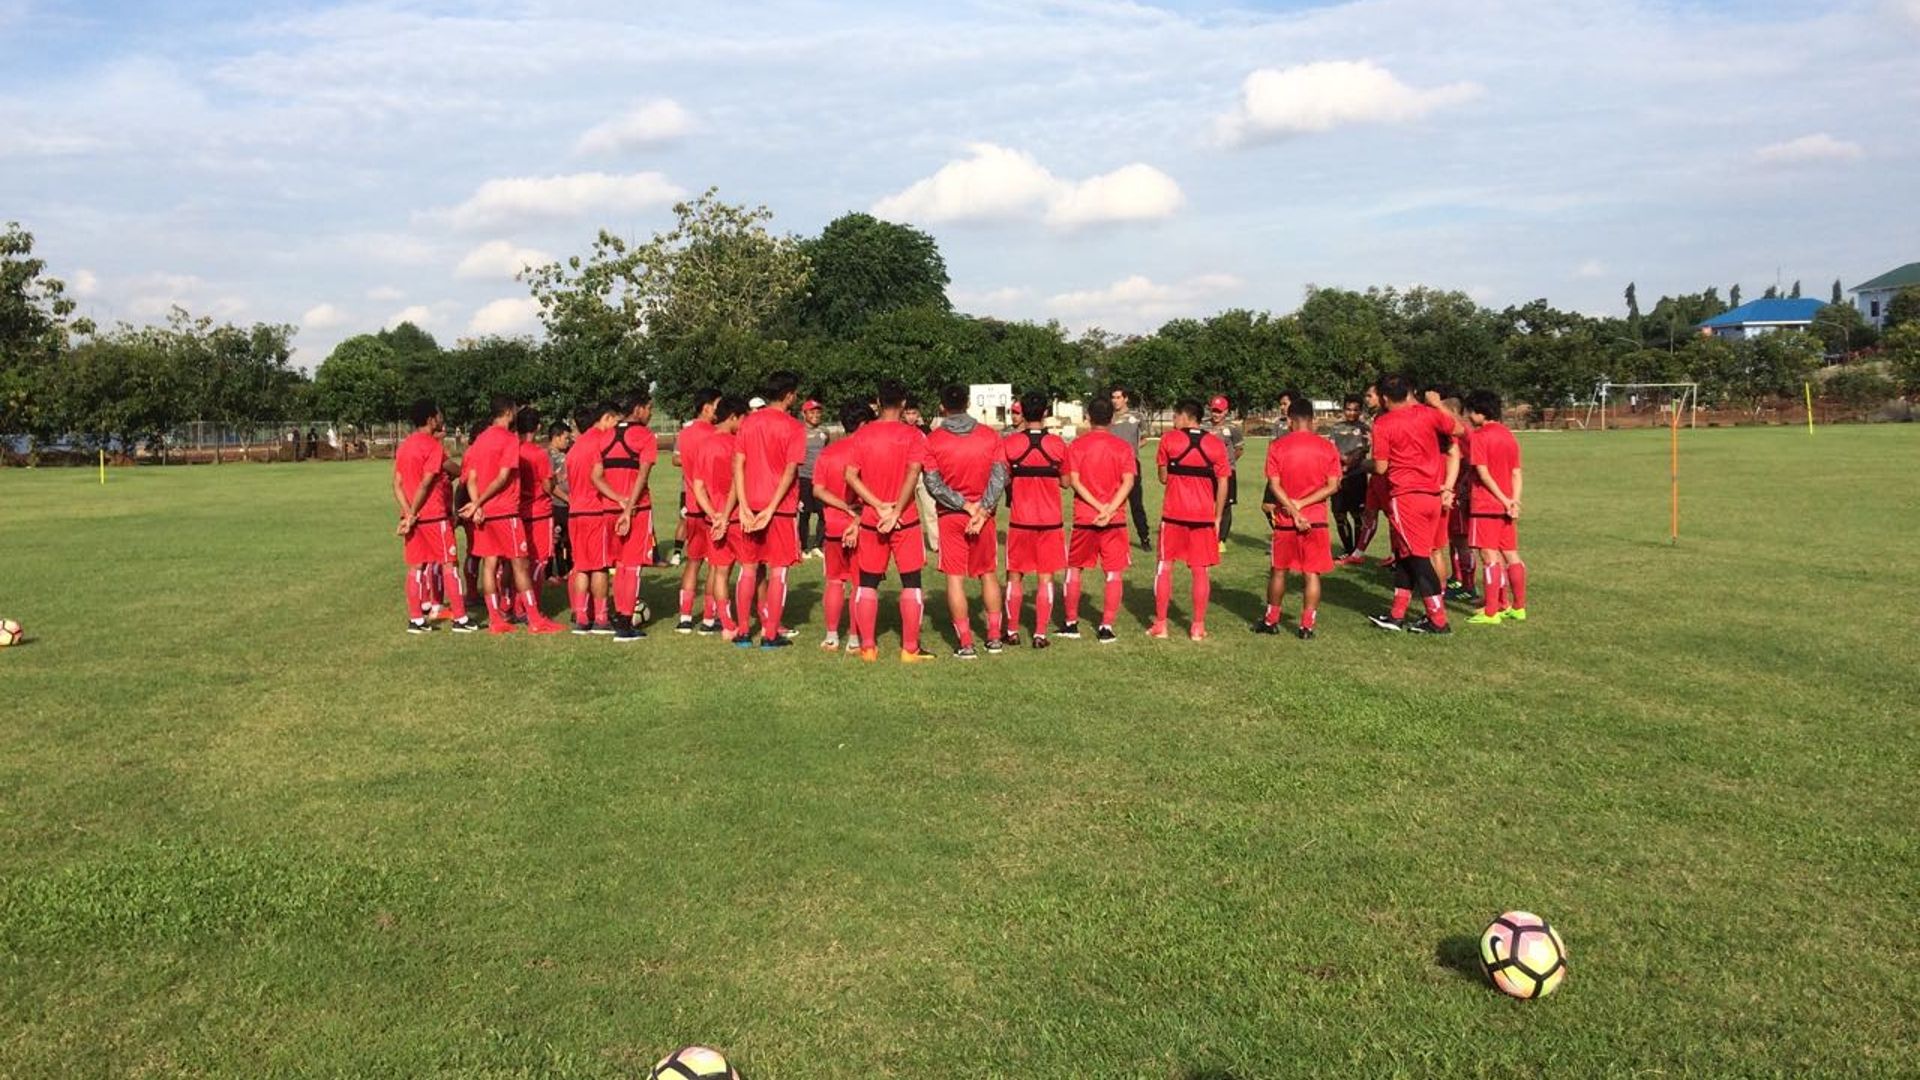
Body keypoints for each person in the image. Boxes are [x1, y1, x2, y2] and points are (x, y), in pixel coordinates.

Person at [843, 379, 935, 663]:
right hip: (904, 519)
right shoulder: (914, 436)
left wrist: (876, 505)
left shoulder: (862, 435)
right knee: (912, 582)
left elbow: (850, 476)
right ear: (904, 403)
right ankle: (910, 648)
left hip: (872, 519)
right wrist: (894, 511)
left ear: (877, 401)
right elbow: (913, 473)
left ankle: (868, 647)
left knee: (868, 583)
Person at [1366, 374, 1461, 635]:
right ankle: (1396, 615)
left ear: (1384, 398)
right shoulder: (1428, 414)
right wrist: (1439, 405)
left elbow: (1382, 467)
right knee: (1405, 556)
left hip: (1406, 497)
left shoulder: (1383, 423)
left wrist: (1361, 465)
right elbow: (1459, 430)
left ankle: (1438, 620)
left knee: (1419, 559)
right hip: (1432, 495)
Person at [463, 396, 565, 635]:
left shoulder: (479, 441)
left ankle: (495, 619)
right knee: (520, 564)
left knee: (490, 564)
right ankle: (534, 619)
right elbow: (503, 476)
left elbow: (472, 478)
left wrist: (477, 506)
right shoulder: (509, 439)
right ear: (508, 412)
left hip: (485, 513)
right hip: (506, 511)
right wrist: (479, 502)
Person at [923, 383, 1008, 659]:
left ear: (942, 406)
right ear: (969, 402)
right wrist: (982, 510)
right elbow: (1000, 476)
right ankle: (994, 637)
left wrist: (967, 506)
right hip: (984, 517)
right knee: (988, 574)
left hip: (952, 516)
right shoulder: (989, 435)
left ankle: (966, 642)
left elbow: (933, 484)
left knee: (955, 578)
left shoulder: (933, 440)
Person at [731, 370, 808, 648]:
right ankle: (771, 633)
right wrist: (772, 508)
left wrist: (743, 506)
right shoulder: (794, 427)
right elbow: (789, 472)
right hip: (780, 510)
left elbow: (738, 464)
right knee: (779, 572)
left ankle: (742, 632)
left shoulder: (748, 423)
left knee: (748, 569)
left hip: (751, 505)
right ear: (789, 395)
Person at [1256, 398, 1342, 639]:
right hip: (1316, 519)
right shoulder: (1327, 447)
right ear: (1312, 420)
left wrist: (1294, 510)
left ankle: (1271, 620)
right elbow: (1333, 486)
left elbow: (1274, 485)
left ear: (1290, 420)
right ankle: (1307, 625)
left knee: (1279, 571)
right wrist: (1303, 506)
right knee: (1312, 573)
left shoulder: (1278, 446)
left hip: (1285, 520)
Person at [392, 399, 475, 634]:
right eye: (438, 415)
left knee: (416, 568)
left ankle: (416, 619)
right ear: (430, 419)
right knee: (450, 565)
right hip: (433, 517)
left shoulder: (405, 446)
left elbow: (396, 484)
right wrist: (414, 513)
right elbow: (426, 483)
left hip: (414, 518)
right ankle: (460, 618)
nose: (441, 418)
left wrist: (407, 513)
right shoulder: (432, 447)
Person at [1151, 400, 1231, 641]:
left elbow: (1163, 477)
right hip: (1203, 516)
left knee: (1165, 567)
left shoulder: (1169, 439)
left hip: (1173, 513)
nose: (1174, 421)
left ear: (1185, 416)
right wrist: (1217, 516)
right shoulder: (1215, 443)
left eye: (1175, 416)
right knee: (1200, 571)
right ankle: (1197, 626)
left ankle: (1161, 625)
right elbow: (1224, 481)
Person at [1064, 396, 1136, 643]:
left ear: (1088, 417)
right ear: (1112, 418)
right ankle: (1106, 626)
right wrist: (1110, 509)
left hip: (1086, 516)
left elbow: (1074, 480)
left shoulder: (1077, 445)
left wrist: (1097, 507)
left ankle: (1071, 623)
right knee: (1113, 572)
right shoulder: (1123, 447)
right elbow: (1128, 482)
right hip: (1114, 518)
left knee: (1074, 568)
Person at [1001, 390, 1070, 648]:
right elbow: (1065, 482)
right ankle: (1040, 633)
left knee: (1014, 576)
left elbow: (1003, 477)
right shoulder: (1058, 445)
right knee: (1045, 577)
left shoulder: (1009, 444)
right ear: (1045, 412)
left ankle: (1012, 631)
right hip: (1050, 521)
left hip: (1020, 520)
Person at [594, 391, 659, 642]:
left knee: (620, 565)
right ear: (639, 409)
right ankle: (624, 622)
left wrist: (616, 499)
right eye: (649, 408)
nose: (651, 413)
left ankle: (618, 616)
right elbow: (642, 476)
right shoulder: (644, 436)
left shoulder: (605, 435)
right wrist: (628, 508)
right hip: (637, 510)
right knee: (632, 566)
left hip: (608, 510)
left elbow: (596, 477)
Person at [810, 402, 872, 652]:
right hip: (862, 524)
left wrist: (841, 508)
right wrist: (853, 514)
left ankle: (832, 635)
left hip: (833, 526)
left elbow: (817, 489)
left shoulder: (829, 452)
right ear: (864, 425)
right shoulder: (866, 453)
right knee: (859, 583)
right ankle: (855, 638)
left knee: (834, 581)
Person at [1464, 390, 1528, 624]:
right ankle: (1518, 607)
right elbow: (1516, 473)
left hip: (1486, 505)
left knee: (1489, 556)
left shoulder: (1479, 436)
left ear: (1479, 412)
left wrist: (1502, 499)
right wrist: (1514, 501)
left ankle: (1492, 611)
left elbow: (1483, 472)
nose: (1469, 417)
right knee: (1511, 555)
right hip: (1508, 506)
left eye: (1470, 412)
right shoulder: (1508, 435)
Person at [689, 397, 746, 640]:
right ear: (733, 416)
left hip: (714, 519)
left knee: (720, 572)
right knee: (753, 571)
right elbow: (738, 483)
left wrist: (713, 515)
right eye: (742, 419)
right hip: (736, 518)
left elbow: (698, 486)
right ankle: (760, 621)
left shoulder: (705, 445)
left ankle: (726, 623)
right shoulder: (737, 445)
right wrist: (724, 516)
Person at [564, 404, 619, 634]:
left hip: (575, 512)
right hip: (594, 512)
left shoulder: (575, 447)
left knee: (581, 566)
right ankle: (601, 617)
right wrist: (620, 498)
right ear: (606, 418)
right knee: (599, 567)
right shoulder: (600, 441)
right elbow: (598, 476)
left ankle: (581, 617)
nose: (615, 429)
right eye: (614, 423)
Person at [671, 389, 722, 631]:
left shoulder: (685, 434)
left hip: (691, 506)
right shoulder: (715, 434)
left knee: (693, 562)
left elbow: (677, 460)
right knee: (714, 564)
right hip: (712, 508)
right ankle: (710, 619)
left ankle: (685, 617)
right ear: (706, 407)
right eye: (717, 405)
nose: (719, 411)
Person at [513, 408, 559, 619]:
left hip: (517, 512)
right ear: (538, 427)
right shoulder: (538, 453)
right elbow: (548, 486)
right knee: (539, 562)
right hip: (539, 512)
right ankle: (531, 606)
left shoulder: (513, 450)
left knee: (519, 563)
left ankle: (514, 604)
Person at [1327, 395, 1372, 562]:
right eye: (1348, 409)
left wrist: (1348, 463)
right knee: (1339, 514)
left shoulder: (1365, 429)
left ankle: (1356, 552)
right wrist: (1341, 461)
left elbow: (1362, 451)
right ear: (1343, 409)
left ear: (1360, 410)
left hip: (1356, 477)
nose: (1351, 413)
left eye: (1355, 409)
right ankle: (1347, 550)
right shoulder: (1336, 428)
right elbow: (1330, 448)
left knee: (1357, 515)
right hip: (1338, 477)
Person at [1108, 387, 1152, 549]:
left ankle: (1144, 537)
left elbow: (1145, 438)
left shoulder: (1137, 417)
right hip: (1112, 466)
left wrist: (1133, 449)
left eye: (1118, 397)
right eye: (1113, 397)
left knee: (1136, 503)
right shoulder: (1108, 417)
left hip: (1131, 465)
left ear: (1125, 399)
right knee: (1111, 501)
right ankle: (1109, 537)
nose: (1115, 400)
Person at [1204, 394, 1244, 552]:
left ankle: (1221, 539)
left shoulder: (1233, 428)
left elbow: (1239, 449)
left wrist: (1227, 464)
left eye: (1219, 411)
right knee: (1207, 503)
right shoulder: (1203, 426)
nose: (1216, 414)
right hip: (1207, 472)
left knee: (1226, 505)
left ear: (1226, 411)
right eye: (1214, 410)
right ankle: (1206, 535)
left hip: (1227, 472)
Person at [901, 400, 941, 555]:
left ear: (918, 414)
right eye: (908, 413)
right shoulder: (900, 430)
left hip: (923, 474)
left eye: (913, 413)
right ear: (903, 414)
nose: (911, 417)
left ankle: (936, 543)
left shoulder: (925, 430)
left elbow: (932, 449)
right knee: (906, 511)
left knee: (931, 509)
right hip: (906, 475)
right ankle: (907, 544)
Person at [798, 399, 830, 558]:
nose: (816, 415)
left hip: (820, 479)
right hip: (803, 478)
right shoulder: (798, 432)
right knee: (805, 514)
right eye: (812, 412)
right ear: (804, 414)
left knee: (824, 513)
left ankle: (818, 545)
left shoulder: (824, 432)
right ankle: (804, 547)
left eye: (818, 412)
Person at [545, 422, 574, 577]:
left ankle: (568, 570)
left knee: (568, 539)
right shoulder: (547, 457)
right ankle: (549, 572)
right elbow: (549, 485)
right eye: (565, 438)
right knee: (555, 539)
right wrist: (567, 498)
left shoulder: (567, 454)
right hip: (556, 504)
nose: (568, 441)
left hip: (568, 504)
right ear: (555, 437)